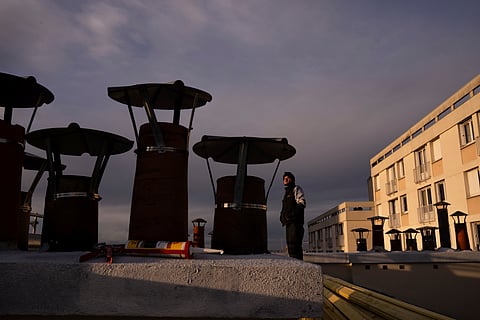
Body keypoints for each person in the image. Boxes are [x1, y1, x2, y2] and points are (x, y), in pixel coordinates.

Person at [280, 172, 306, 260]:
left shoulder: (296, 189)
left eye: (288, 178)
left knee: (295, 247)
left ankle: (300, 267)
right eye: (284, 178)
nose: (285, 179)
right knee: (290, 246)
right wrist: (282, 217)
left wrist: (291, 215)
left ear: (292, 179)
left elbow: (301, 203)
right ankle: (294, 266)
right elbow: (285, 208)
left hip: (296, 224)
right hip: (288, 224)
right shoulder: (286, 193)